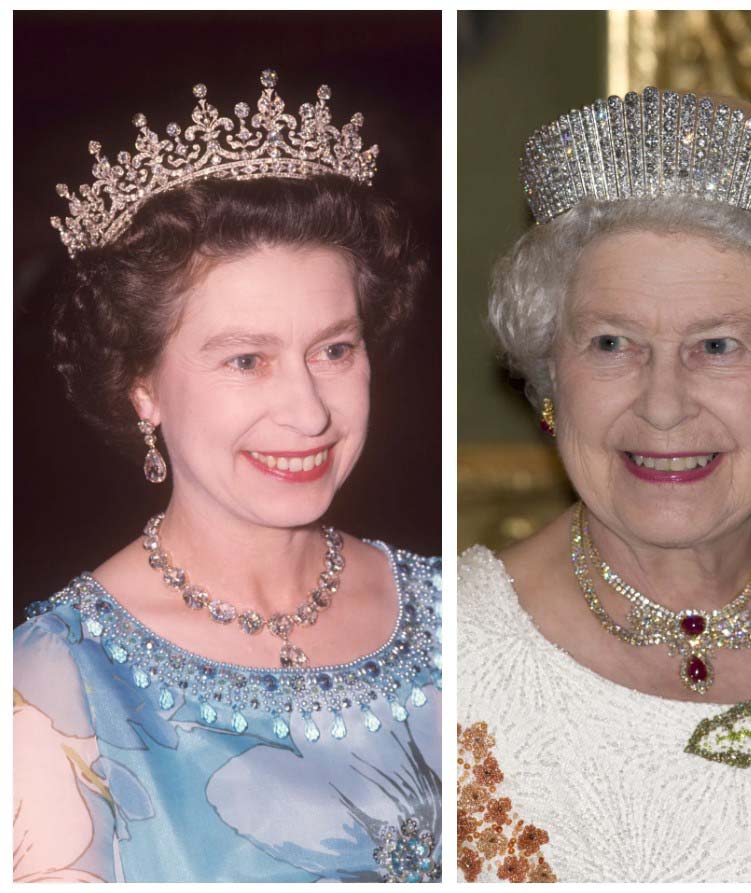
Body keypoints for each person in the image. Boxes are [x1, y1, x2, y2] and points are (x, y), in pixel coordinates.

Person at [14, 70, 441, 883]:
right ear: (141, 387)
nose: (308, 411)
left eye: (335, 349)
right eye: (247, 359)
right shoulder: (54, 684)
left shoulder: (459, 616)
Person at [458, 88, 751, 883]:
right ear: (555, 376)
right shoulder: (442, 660)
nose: (661, 404)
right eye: (612, 342)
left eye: (717, 345)